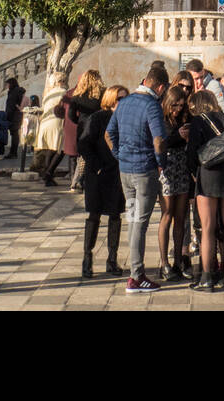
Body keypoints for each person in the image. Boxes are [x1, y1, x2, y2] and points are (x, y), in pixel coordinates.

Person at [105, 63, 169, 294]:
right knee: (139, 222)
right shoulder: (152, 106)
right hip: (144, 171)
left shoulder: (124, 103)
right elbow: (159, 139)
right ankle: (137, 275)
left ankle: (135, 270)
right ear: (160, 87)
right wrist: (162, 162)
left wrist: (119, 154)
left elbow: (109, 133)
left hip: (126, 170)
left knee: (133, 219)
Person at [184, 88, 224, 291]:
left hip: (208, 176)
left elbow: (191, 153)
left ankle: (207, 278)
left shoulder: (198, 122)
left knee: (207, 228)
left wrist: (195, 172)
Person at [78, 85, 128, 278]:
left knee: (115, 215)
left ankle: (112, 259)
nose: (122, 102)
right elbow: (84, 143)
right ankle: (87, 257)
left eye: (125, 98)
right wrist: (96, 164)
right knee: (94, 215)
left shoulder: (125, 119)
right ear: (110, 99)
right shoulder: (98, 118)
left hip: (117, 173)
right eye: (119, 98)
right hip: (98, 174)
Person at [156, 84, 193, 280]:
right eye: (174, 105)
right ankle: (164, 263)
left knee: (181, 216)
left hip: (182, 165)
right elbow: (159, 145)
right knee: (167, 214)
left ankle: (179, 260)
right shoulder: (161, 121)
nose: (177, 109)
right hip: (167, 167)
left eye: (181, 105)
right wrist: (177, 136)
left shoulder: (186, 118)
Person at [67, 70, 105, 191]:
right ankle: (87, 181)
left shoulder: (77, 96)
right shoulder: (103, 93)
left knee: (83, 156)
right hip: (99, 128)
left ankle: (78, 181)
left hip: (83, 128)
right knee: (98, 155)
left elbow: (71, 115)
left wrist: (80, 122)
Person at [3, 78, 25, 160]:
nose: (7, 86)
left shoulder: (14, 92)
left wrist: (7, 116)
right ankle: (13, 152)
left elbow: (11, 105)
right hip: (16, 115)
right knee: (14, 134)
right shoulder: (15, 91)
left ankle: (13, 152)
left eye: (8, 84)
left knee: (14, 134)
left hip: (14, 116)